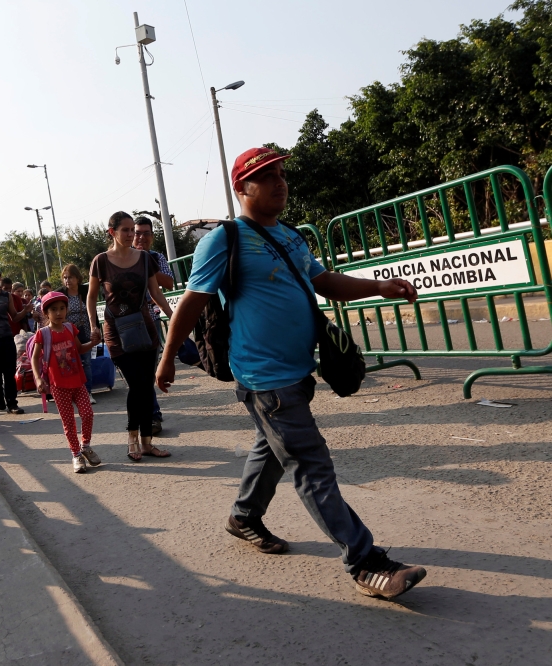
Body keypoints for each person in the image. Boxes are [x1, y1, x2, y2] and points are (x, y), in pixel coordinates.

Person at [156, 147, 428, 600]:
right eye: (266, 176)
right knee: (309, 463)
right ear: (241, 188)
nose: (280, 182)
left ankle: (243, 517)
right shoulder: (224, 239)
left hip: (298, 369)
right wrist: (167, 358)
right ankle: (366, 562)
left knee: (272, 446)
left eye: (282, 173)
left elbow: (323, 281)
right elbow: (192, 300)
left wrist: (379, 286)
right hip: (263, 376)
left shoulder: (293, 237)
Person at [88, 211, 173, 462]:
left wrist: (173, 316)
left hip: (145, 330)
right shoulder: (101, 261)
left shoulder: (145, 258)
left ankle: (147, 444)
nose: (131, 235)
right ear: (111, 232)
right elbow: (91, 296)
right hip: (116, 333)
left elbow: (155, 292)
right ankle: (132, 440)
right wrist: (94, 325)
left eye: (132, 231)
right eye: (125, 230)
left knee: (146, 387)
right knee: (136, 385)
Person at [32, 291, 102, 473]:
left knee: (88, 414)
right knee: (69, 422)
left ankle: (85, 446)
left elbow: (79, 349)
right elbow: (34, 358)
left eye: (62, 308)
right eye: (54, 309)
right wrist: (39, 379)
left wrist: (94, 343)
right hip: (58, 385)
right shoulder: (43, 334)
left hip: (78, 382)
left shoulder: (71, 328)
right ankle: (76, 454)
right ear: (46, 313)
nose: (58, 313)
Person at [133, 217, 174, 434]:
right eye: (137, 233)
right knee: (136, 375)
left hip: (150, 320)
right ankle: (144, 417)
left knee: (147, 372)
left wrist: (147, 263)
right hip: (127, 324)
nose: (141, 237)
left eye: (146, 233)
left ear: (152, 236)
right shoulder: (123, 259)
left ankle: (153, 417)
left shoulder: (156, 257)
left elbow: (168, 283)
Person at [0, 266, 29, 414]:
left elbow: (14, 317)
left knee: (9, 372)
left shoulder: (6, 296)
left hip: (6, 337)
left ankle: (12, 403)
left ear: (0, 278)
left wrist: (25, 311)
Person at [60, 263, 97, 404]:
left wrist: (95, 329)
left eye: (70, 277)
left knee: (86, 363)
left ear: (78, 278)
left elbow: (92, 309)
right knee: (68, 363)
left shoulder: (86, 290)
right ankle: (72, 393)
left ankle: (88, 393)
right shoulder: (60, 293)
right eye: (65, 278)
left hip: (86, 331)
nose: (67, 280)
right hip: (67, 334)